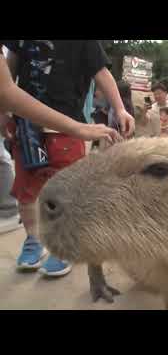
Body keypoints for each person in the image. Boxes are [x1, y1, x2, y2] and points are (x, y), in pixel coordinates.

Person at [0, 40, 134, 277]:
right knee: (27, 192)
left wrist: (120, 108)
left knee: (68, 193)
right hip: (26, 127)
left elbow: (101, 73)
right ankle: (34, 240)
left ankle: (62, 248)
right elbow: (7, 75)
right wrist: (2, 112)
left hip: (67, 129)